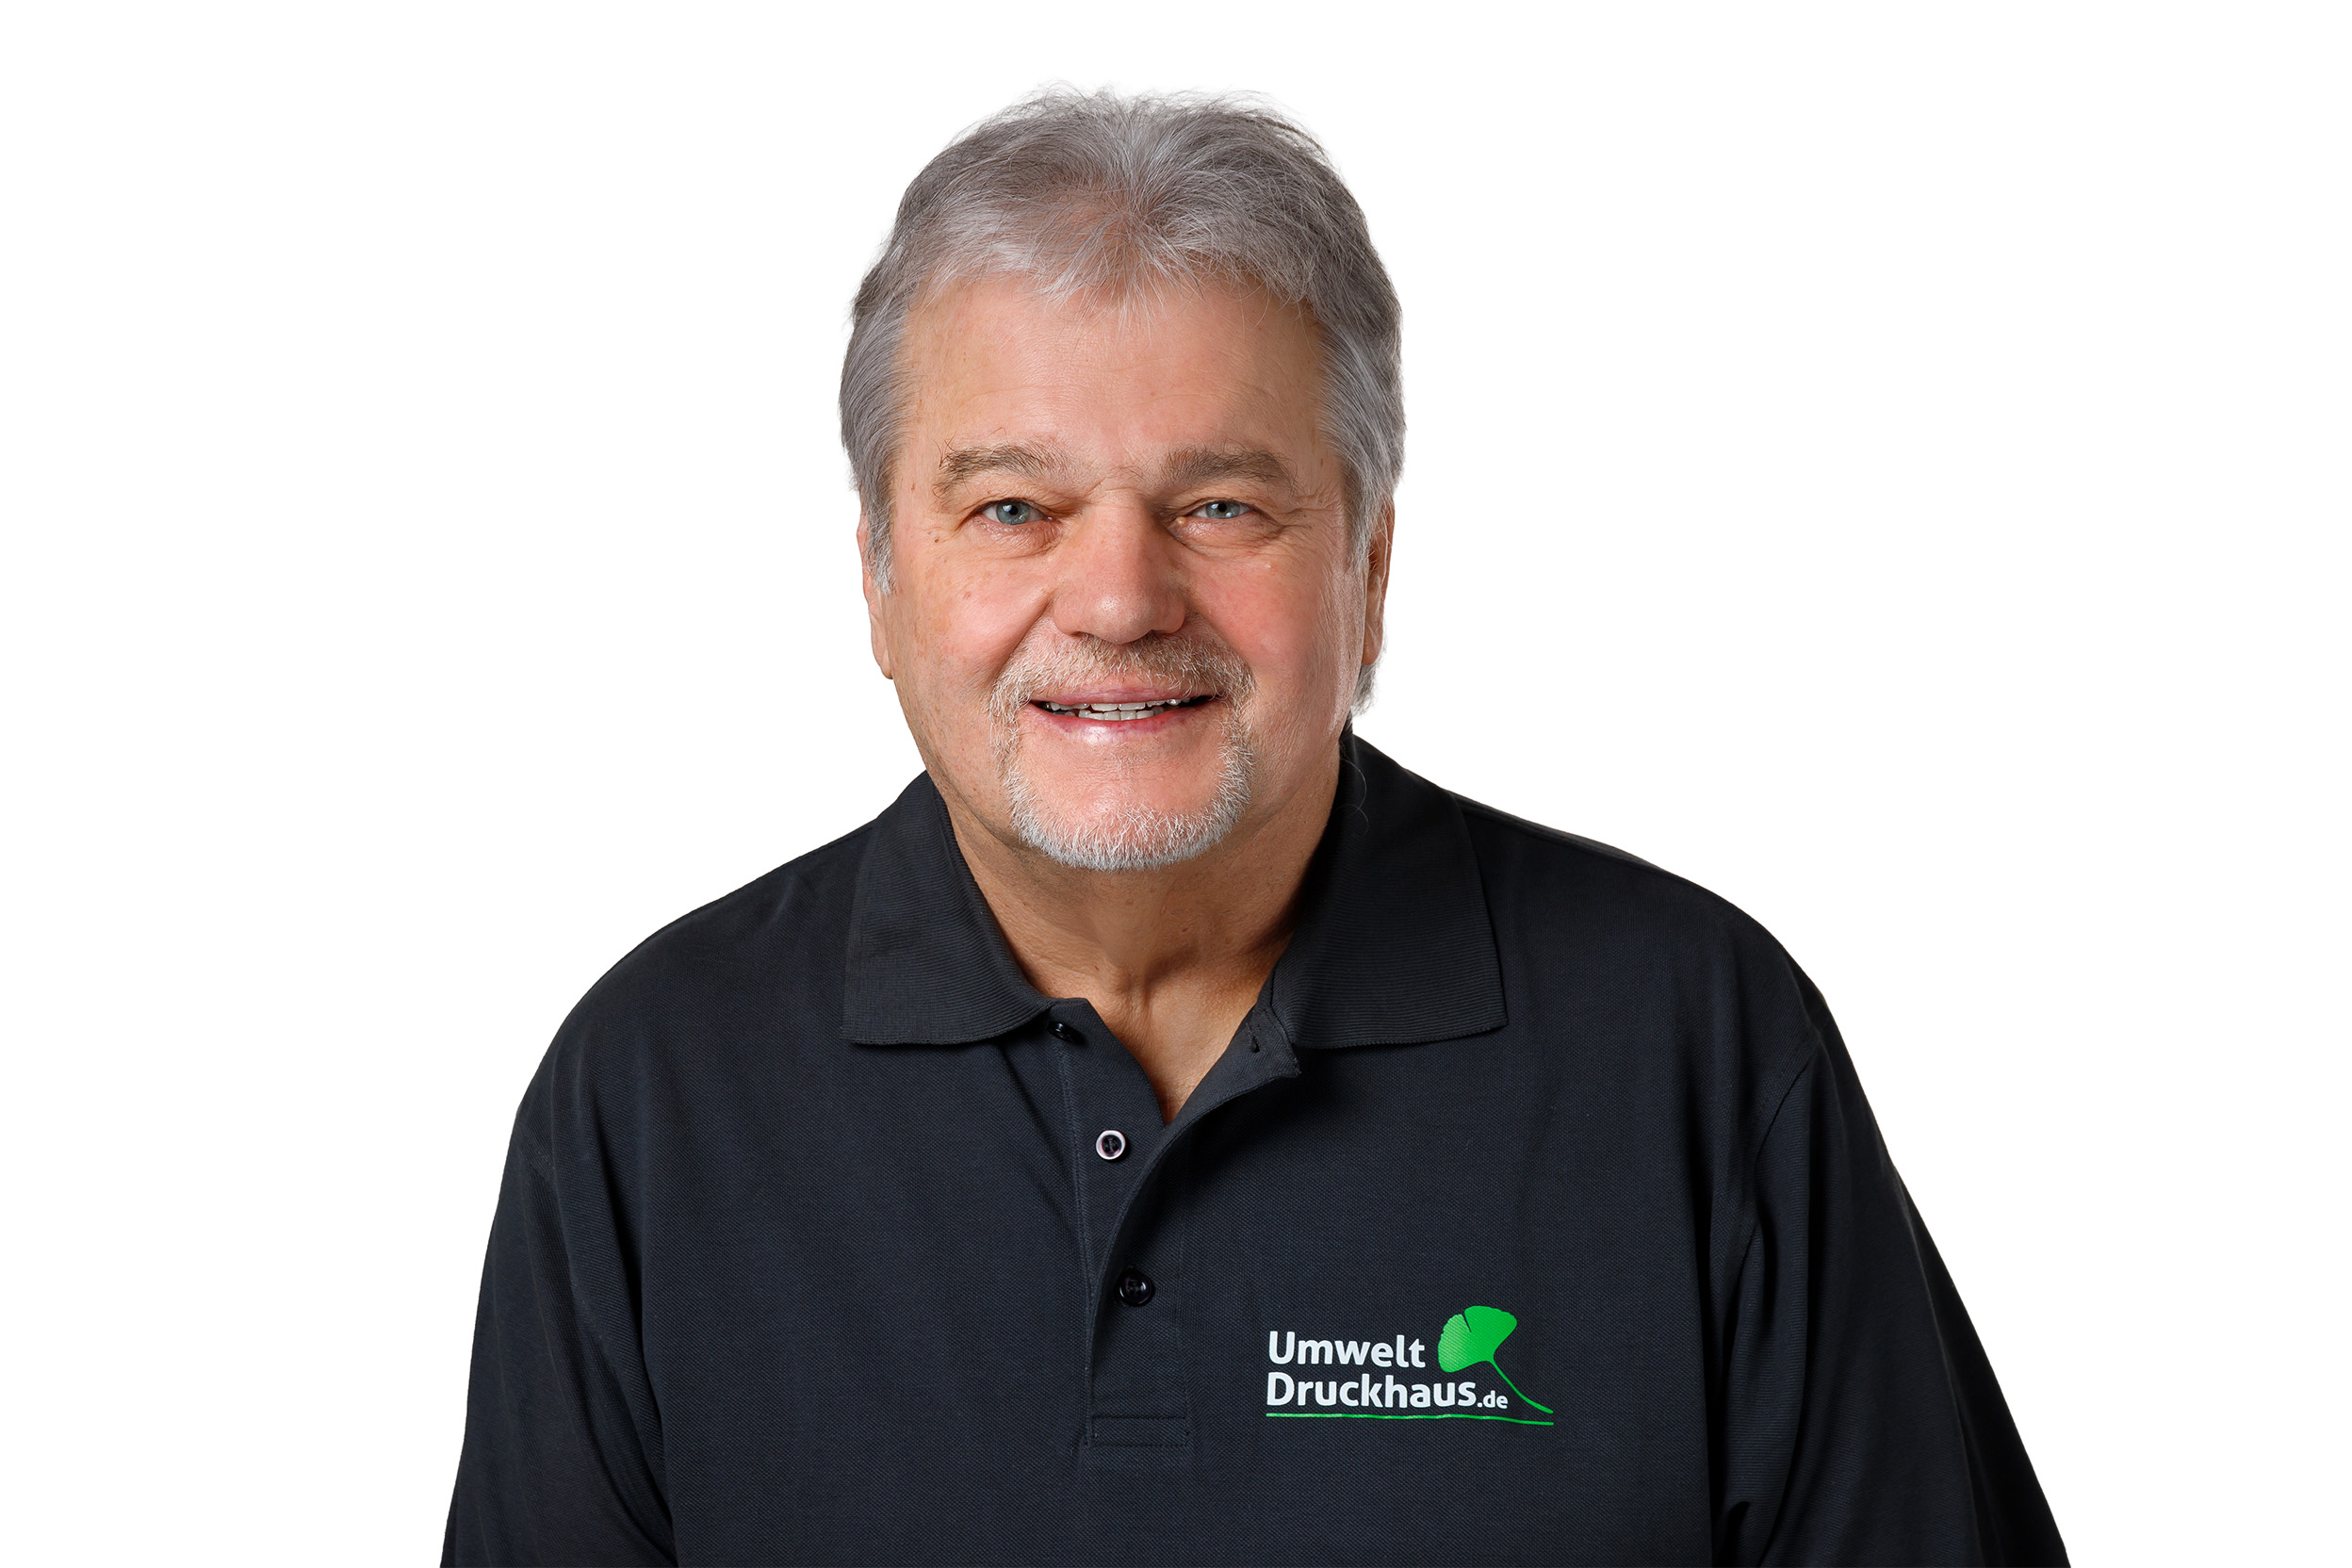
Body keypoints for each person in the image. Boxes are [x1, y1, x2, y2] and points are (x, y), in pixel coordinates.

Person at [443, 90, 2066, 1567]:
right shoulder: (654, 1093)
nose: (1119, 599)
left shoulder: (1694, 1045)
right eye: (1013, 508)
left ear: (1368, 571)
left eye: (1221, 506)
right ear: (877, 577)